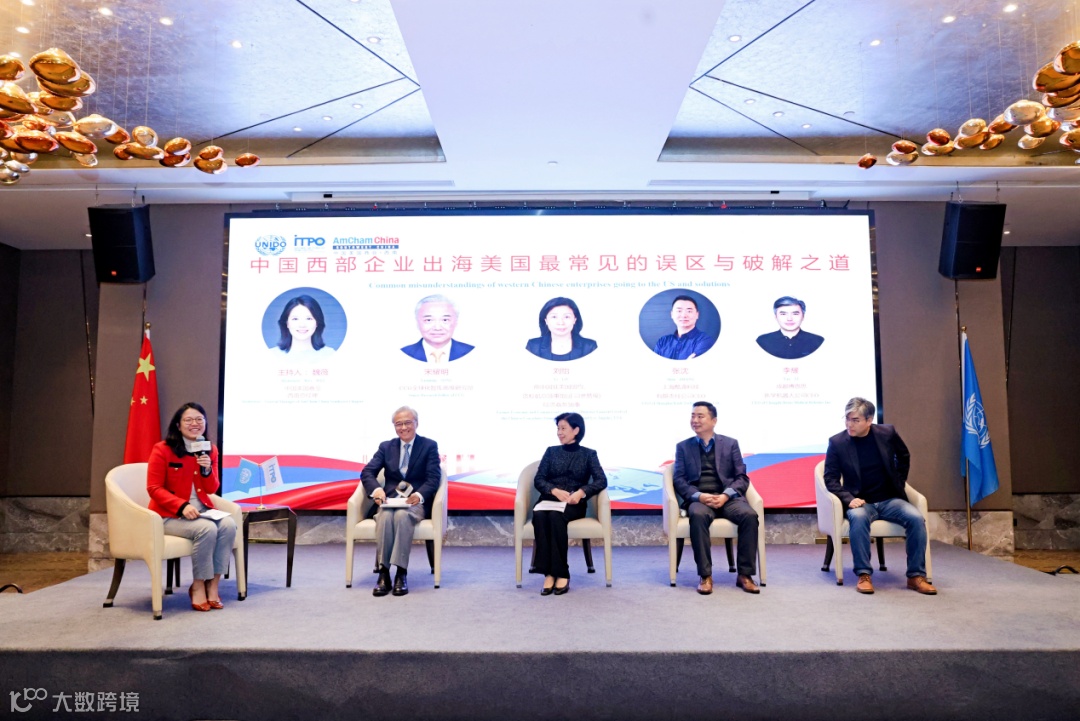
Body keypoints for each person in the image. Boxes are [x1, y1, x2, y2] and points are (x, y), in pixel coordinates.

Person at [823, 397, 936, 595]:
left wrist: (898, 482)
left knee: (916, 519)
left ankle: (916, 576)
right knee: (858, 519)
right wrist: (849, 499)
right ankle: (864, 575)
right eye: (847, 419)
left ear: (869, 420)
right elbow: (830, 478)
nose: (849, 424)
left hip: (889, 499)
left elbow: (904, 456)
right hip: (861, 502)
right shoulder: (837, 442)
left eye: (855, 420)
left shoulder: (887, 433)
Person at [146, 402, 237, 612]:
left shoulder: (210, 449)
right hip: (169, 515)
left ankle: (213, 585)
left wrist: (207, 470)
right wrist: (181, 506)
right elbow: (153, 488)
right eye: (188, 420)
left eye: (199, 419)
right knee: (207, 528)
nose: (194, 424)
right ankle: (197, 585)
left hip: (202, 511)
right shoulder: (163, 449)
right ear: (178, 425)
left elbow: (212, 488)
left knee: (228, 525)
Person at [672, 401, 760, 595]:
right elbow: (679, 480)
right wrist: (699, 496)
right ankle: (705, 576)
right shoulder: (683, 447)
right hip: (700, 499)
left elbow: (741, 477)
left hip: (727, 498)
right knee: (698, 516)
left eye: (700, 416)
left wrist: (726, 495)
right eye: (693, 416)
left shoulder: (730, 444)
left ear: (714, 420)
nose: (695, 420)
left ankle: (745, 575)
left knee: (749, 516)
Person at [360, 406, 442, 597]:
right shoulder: (386, 447)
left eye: (407, 423)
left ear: (416, 423)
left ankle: (401, 573)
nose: (403, 427)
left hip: (415, 503)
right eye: (398, 424)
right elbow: (368, 472)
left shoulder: (429, 446)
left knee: (402, 517)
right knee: (385, 517)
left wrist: (419, 495)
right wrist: (377, 490)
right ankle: (384, 573)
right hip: (389, 501)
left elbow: (433, 478)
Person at [532, 412, 607, 595]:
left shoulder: (588, 454)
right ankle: (548, 573)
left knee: (555, 517)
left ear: (576, 430)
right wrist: (553, 490)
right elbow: (539, 479)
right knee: (539, 515)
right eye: (558, 428)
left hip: (573, 503)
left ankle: (560, 573)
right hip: (549, 500)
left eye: (563, 428)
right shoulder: (551, 452)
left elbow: (601, 480)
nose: (559, 432)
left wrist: (581, 492)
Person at [400, 294, 474, 363]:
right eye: (428, 320)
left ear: (456, 322)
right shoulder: (403, 353)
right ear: (417, 323)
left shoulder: (471, 351)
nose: (437, 328)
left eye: (445, 320)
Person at [525, 297, 598, 361]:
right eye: (554, 317)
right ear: (546, 320)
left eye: (566, 317)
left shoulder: (589, 347)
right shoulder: (533, 346)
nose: (561, 322)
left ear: (574, 320)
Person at [755, 296, 824, 359]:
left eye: (795, 314)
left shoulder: (818, 341)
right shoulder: (763, 341)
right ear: (776, 317)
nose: (789, 318)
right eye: (783, 314)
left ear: (803, 316)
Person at [653, 295, 715, 360]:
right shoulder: (662, 341)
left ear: (697, 315)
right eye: (679, 311)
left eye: (689, 311)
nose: (683, 315)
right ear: (672, 314)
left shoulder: (705, 341)